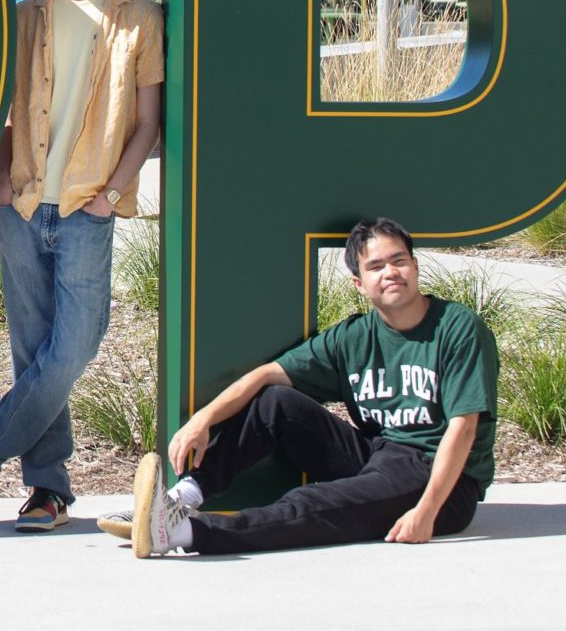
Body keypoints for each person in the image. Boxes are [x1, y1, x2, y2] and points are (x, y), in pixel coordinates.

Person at [0, 0, 163, 533]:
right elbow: (2, 109)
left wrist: (111, 195)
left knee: (76, 345)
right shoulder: (26, 17)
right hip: (23, 202)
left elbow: (148, 122)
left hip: (86, 205)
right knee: (34, 351)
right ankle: (48, 490)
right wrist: (1, 181)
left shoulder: (140, 16)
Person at [126, 219, 498, 559]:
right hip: (380, 456)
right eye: (375, 267)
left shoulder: (457, 327)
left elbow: (463, 428)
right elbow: (267, 375)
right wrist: (204, 419)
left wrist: (427, 512)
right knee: (276, 402)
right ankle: (179, 500)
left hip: (443, 482)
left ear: (414, 266)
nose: (390, 273)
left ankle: (184, 533)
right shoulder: (355, 336)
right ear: (359, 284)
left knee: (319, 501)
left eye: (399, 261)